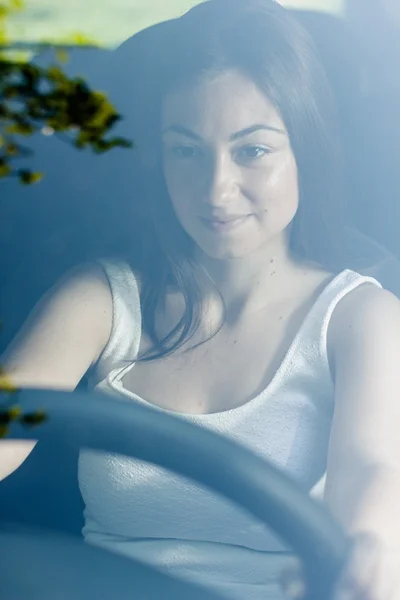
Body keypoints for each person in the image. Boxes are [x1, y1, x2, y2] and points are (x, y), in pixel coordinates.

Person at [1, 1, 400, 599]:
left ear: (305, 151)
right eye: (186, 150)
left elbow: (372, 474)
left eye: (253, 151)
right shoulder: (101, 299)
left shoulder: (359, 319)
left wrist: (369, 549)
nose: (215, 188)